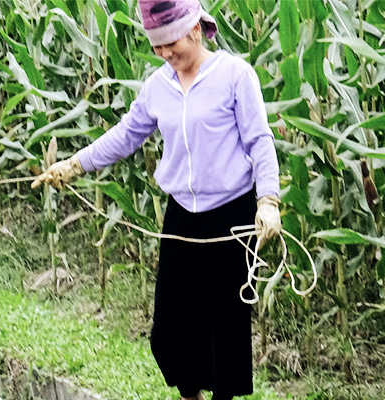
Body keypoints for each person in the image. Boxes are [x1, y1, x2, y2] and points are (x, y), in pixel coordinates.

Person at [31, 1, 281, 399]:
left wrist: (268, 200)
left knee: (225, 323)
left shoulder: (235, 76)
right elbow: (126, 135)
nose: (166, 54)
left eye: (172, 44)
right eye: (157, 47)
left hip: (231, 216)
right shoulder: (157, 86)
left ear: (197, 29)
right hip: (182, 216)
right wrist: (75, 164)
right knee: (172, 322)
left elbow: (259, 141)